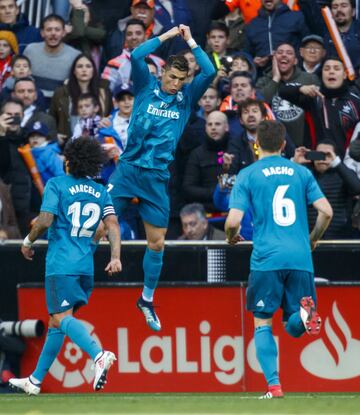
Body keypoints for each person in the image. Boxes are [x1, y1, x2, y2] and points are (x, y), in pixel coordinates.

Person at [108, 24, 215, 331]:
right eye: (172, 77)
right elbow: (137, 54)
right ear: (163, 72)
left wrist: (191, 40)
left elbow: (208, 71)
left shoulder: (185, 98)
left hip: (156, 178)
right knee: (99, 224)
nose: (175, 84)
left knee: (157, 244)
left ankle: (146, 298)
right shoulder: (144, 84)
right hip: (127, 171)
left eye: (181, 80)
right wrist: (169, 35)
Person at [225, 120, 333, 399]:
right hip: (300, 257)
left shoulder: (247, 174)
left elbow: (233, 220)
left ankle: (274, 385)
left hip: (266, 259)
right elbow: (326, 212)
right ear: (284, 145)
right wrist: (312, 239)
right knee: (293, 328)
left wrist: (230, 236)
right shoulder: (300, 173)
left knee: (263, 322)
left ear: (256, 144)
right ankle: (302, 314)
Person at [9, 137, 121, 395]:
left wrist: (27, 241)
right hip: (85, 266)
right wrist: (115, 257)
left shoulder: (57, 184)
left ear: (69, 161)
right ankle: (35, 380)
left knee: (62, 318)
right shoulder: (100, 191)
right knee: (56, 323)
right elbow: (110, 226)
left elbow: (46, 219)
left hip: (61, 264)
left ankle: (98, 354)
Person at [50, 53, 112, 142]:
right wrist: (55, 136)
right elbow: (51, 118)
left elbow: (111, 116)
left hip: (98, 145)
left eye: (88, 66)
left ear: (94, 70)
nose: (84, 70)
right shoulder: (61, 93)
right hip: (68, 146)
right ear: (74, 71)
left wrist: (108, 122)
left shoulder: (104, 92)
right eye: (80, 66)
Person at [23, 14, 81, 104]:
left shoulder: (75, 55)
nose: (53, 33)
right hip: (31, 100)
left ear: (64, 33)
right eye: (49, 30)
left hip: (61, 103)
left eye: (57, 30)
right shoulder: (30, 50)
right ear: (42, 33)